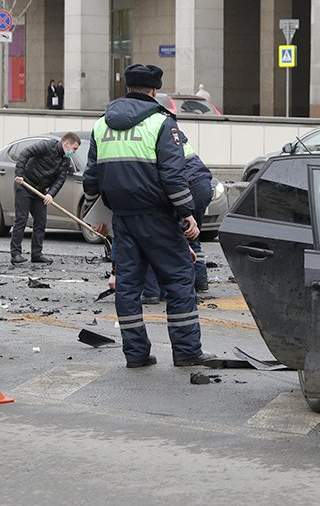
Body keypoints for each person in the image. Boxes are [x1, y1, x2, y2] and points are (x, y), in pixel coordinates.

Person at [82, 63, 215, 369]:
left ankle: (137, 354)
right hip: (158, 218)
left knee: (128, 287)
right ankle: (186, 351)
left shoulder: (101, 124)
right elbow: (173, 176)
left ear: (127, 88)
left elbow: (91, 179)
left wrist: (93, 212)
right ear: (154, 90)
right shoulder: (161, 123)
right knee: (181, 278)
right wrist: (187, 214)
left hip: (123, 219)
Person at [143, 133, 213, 304]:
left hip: (185, 188)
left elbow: (170, 177)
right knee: (192, 236)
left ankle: (162, 290)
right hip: (203, 184)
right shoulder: (176, 138)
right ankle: (199, 282)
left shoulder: (155, 141)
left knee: (168, 238)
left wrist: (183, 211)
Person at [10, 132, 81, 265]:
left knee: (41, 221)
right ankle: (16, 254)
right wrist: (19, 174)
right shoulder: (47, 146)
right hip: (25, 184)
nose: (74, 152)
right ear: (66, 143)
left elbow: (60, 180)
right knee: (21, 219)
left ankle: (36, 254)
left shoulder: (65, 160)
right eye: (74, 149)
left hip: (40, 191)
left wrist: (50, 194)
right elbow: (26, 153)